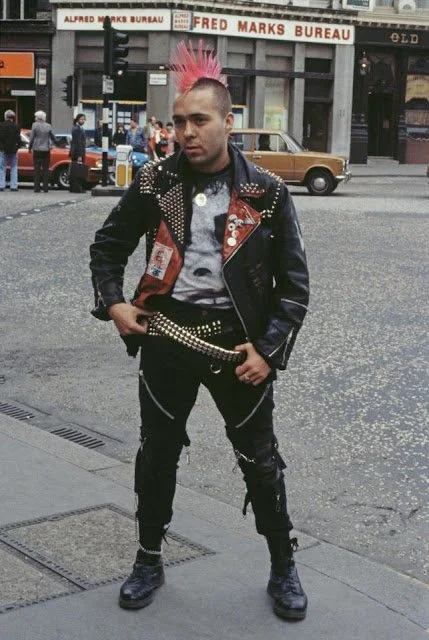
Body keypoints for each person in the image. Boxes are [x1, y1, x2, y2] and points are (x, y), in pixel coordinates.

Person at [90, 40, 309, 622]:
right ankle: (148, 559)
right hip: (167, 339)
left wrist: (268, 350)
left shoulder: (266, 192)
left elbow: (294, 286)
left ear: (228, 122)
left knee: (260, 459)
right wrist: (114, 304)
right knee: (156, 454)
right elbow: (107, 247)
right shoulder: (155, 182)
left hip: (238, 348)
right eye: (179, 120)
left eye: (199, 120)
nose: (186, 132)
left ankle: (283, 565)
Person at [28, 110, 56, 193]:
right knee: (45, 169)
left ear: (38, 118)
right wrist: (51, 144)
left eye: (35, 117)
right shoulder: (48, 126)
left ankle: (37, 188)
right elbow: (53, 137)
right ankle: (45, 188)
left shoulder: (34, 125)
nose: (35, 118)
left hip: (37, 149)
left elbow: (32, 138)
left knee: (37, 169)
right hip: (46, 150)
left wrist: (29, 148)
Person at [0, 109, 21, 192]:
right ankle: (14, 186)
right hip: (13, 150)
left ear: (5, 117)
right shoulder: (16, 126)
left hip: (3, 150)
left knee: (2, 168)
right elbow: (18, 139)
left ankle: (1, 185)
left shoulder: (1, 125)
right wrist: (17, 147)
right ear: (13, 117)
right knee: (14, 167)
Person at [69, 113, 87, 193]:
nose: (83, 121)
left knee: (76, 170)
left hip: (77, 152)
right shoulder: (77, 129)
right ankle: (77, 188)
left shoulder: (78, 128)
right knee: (78, 171)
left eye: (84, 119)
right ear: (77, 119)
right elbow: (78, 142)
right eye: (81, 119)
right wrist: (80, 155)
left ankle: (74, 187)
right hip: (77, 152)